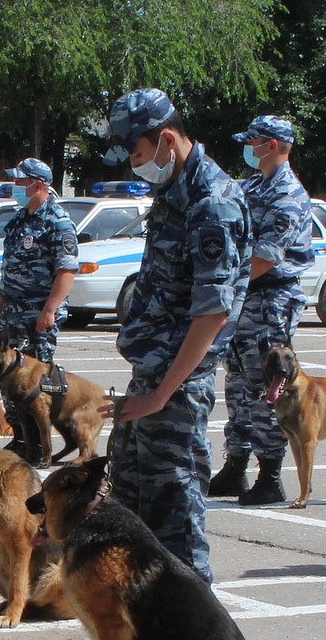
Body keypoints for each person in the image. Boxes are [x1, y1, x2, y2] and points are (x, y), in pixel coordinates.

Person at [99, 88, 252, 585]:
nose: (135, 165)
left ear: (167, 139)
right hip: (152, 378)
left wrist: (161, 395)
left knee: (177, 531)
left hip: (178, 390)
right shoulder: (175, 192)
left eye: (138, 154)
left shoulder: (214, 205)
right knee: (131, 519)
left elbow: (211, 314)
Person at [209, 116, 314, 505]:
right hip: (246, 297)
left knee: (267, 386)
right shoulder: (253, 185)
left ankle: (270, 474)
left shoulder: (288, 194)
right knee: (238, 382)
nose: (247, 149)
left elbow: (267, 257)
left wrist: (230, 282)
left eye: (252, 143)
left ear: (270, 145)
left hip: (271, 298)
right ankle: (235, 466)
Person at [0, 157, 79, 458]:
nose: (15, 187)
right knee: (8, 379)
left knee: (34, 383)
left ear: (37, 184)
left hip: (37, 315)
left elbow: (66, 270)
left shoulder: (57, 221)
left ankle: (39, 441)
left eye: (20, 182)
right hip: (13, 313)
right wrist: (0, 305)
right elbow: (9, 269)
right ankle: (19, 436)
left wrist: (50, 310)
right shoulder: (19, 220)